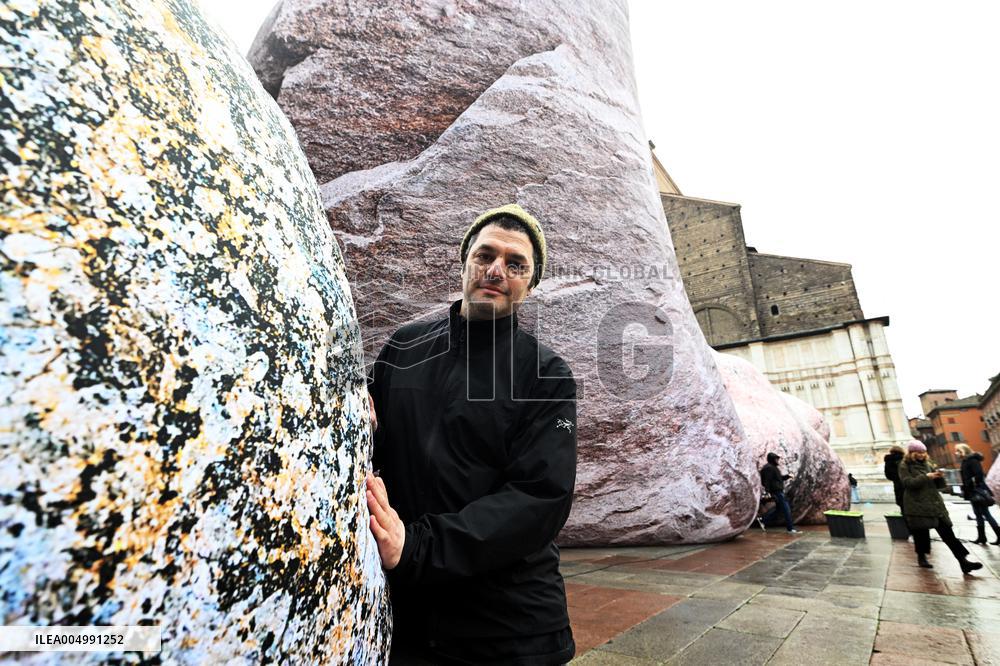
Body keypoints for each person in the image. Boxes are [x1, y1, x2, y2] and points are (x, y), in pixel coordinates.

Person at [365, 204, 578, 665]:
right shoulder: (403, 348)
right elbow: (371, 445)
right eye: (485, 256)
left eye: (516, 264)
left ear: (530, 284)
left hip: (509, 631)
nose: (497, 270)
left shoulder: (546, 375)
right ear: (464, 261)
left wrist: (417, 545)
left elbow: (541, 498)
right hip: (410, 622)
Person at [898, 441, 983, 572]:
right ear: (912, 453)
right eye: (918, 453)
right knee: (921, 533)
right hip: (917, 504)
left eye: (923, 452)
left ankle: (963, 562)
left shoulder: (928, 463)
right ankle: (922, 558)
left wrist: (938, 477)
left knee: (948, 534)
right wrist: (926, 477)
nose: (921, 455)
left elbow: (938, 486)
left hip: (934, 503)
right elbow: (908, 483)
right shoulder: (904, 466)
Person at [957, 443, 1000, 545]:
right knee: (978, 514)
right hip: (972, 492)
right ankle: (982, 537)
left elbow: (979, 474)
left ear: (964, 451)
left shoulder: (972, 460)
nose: (956, 453)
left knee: (985, 514)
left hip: (976, 491)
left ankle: (998, 535)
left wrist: (973, 485)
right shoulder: (966, 461)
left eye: (958, 451)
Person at [759, 452, 800, 534]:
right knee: (786, 509)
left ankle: (763, 520)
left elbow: (779, 478)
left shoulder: (773, 468)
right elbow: (767, 480)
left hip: (778, 491)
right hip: (777, 492)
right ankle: (790, 528)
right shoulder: (769, 468)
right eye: (776, 459)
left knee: (779, 509)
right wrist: (767, 491)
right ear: (772, 459)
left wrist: (788, 476)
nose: (778, 460)